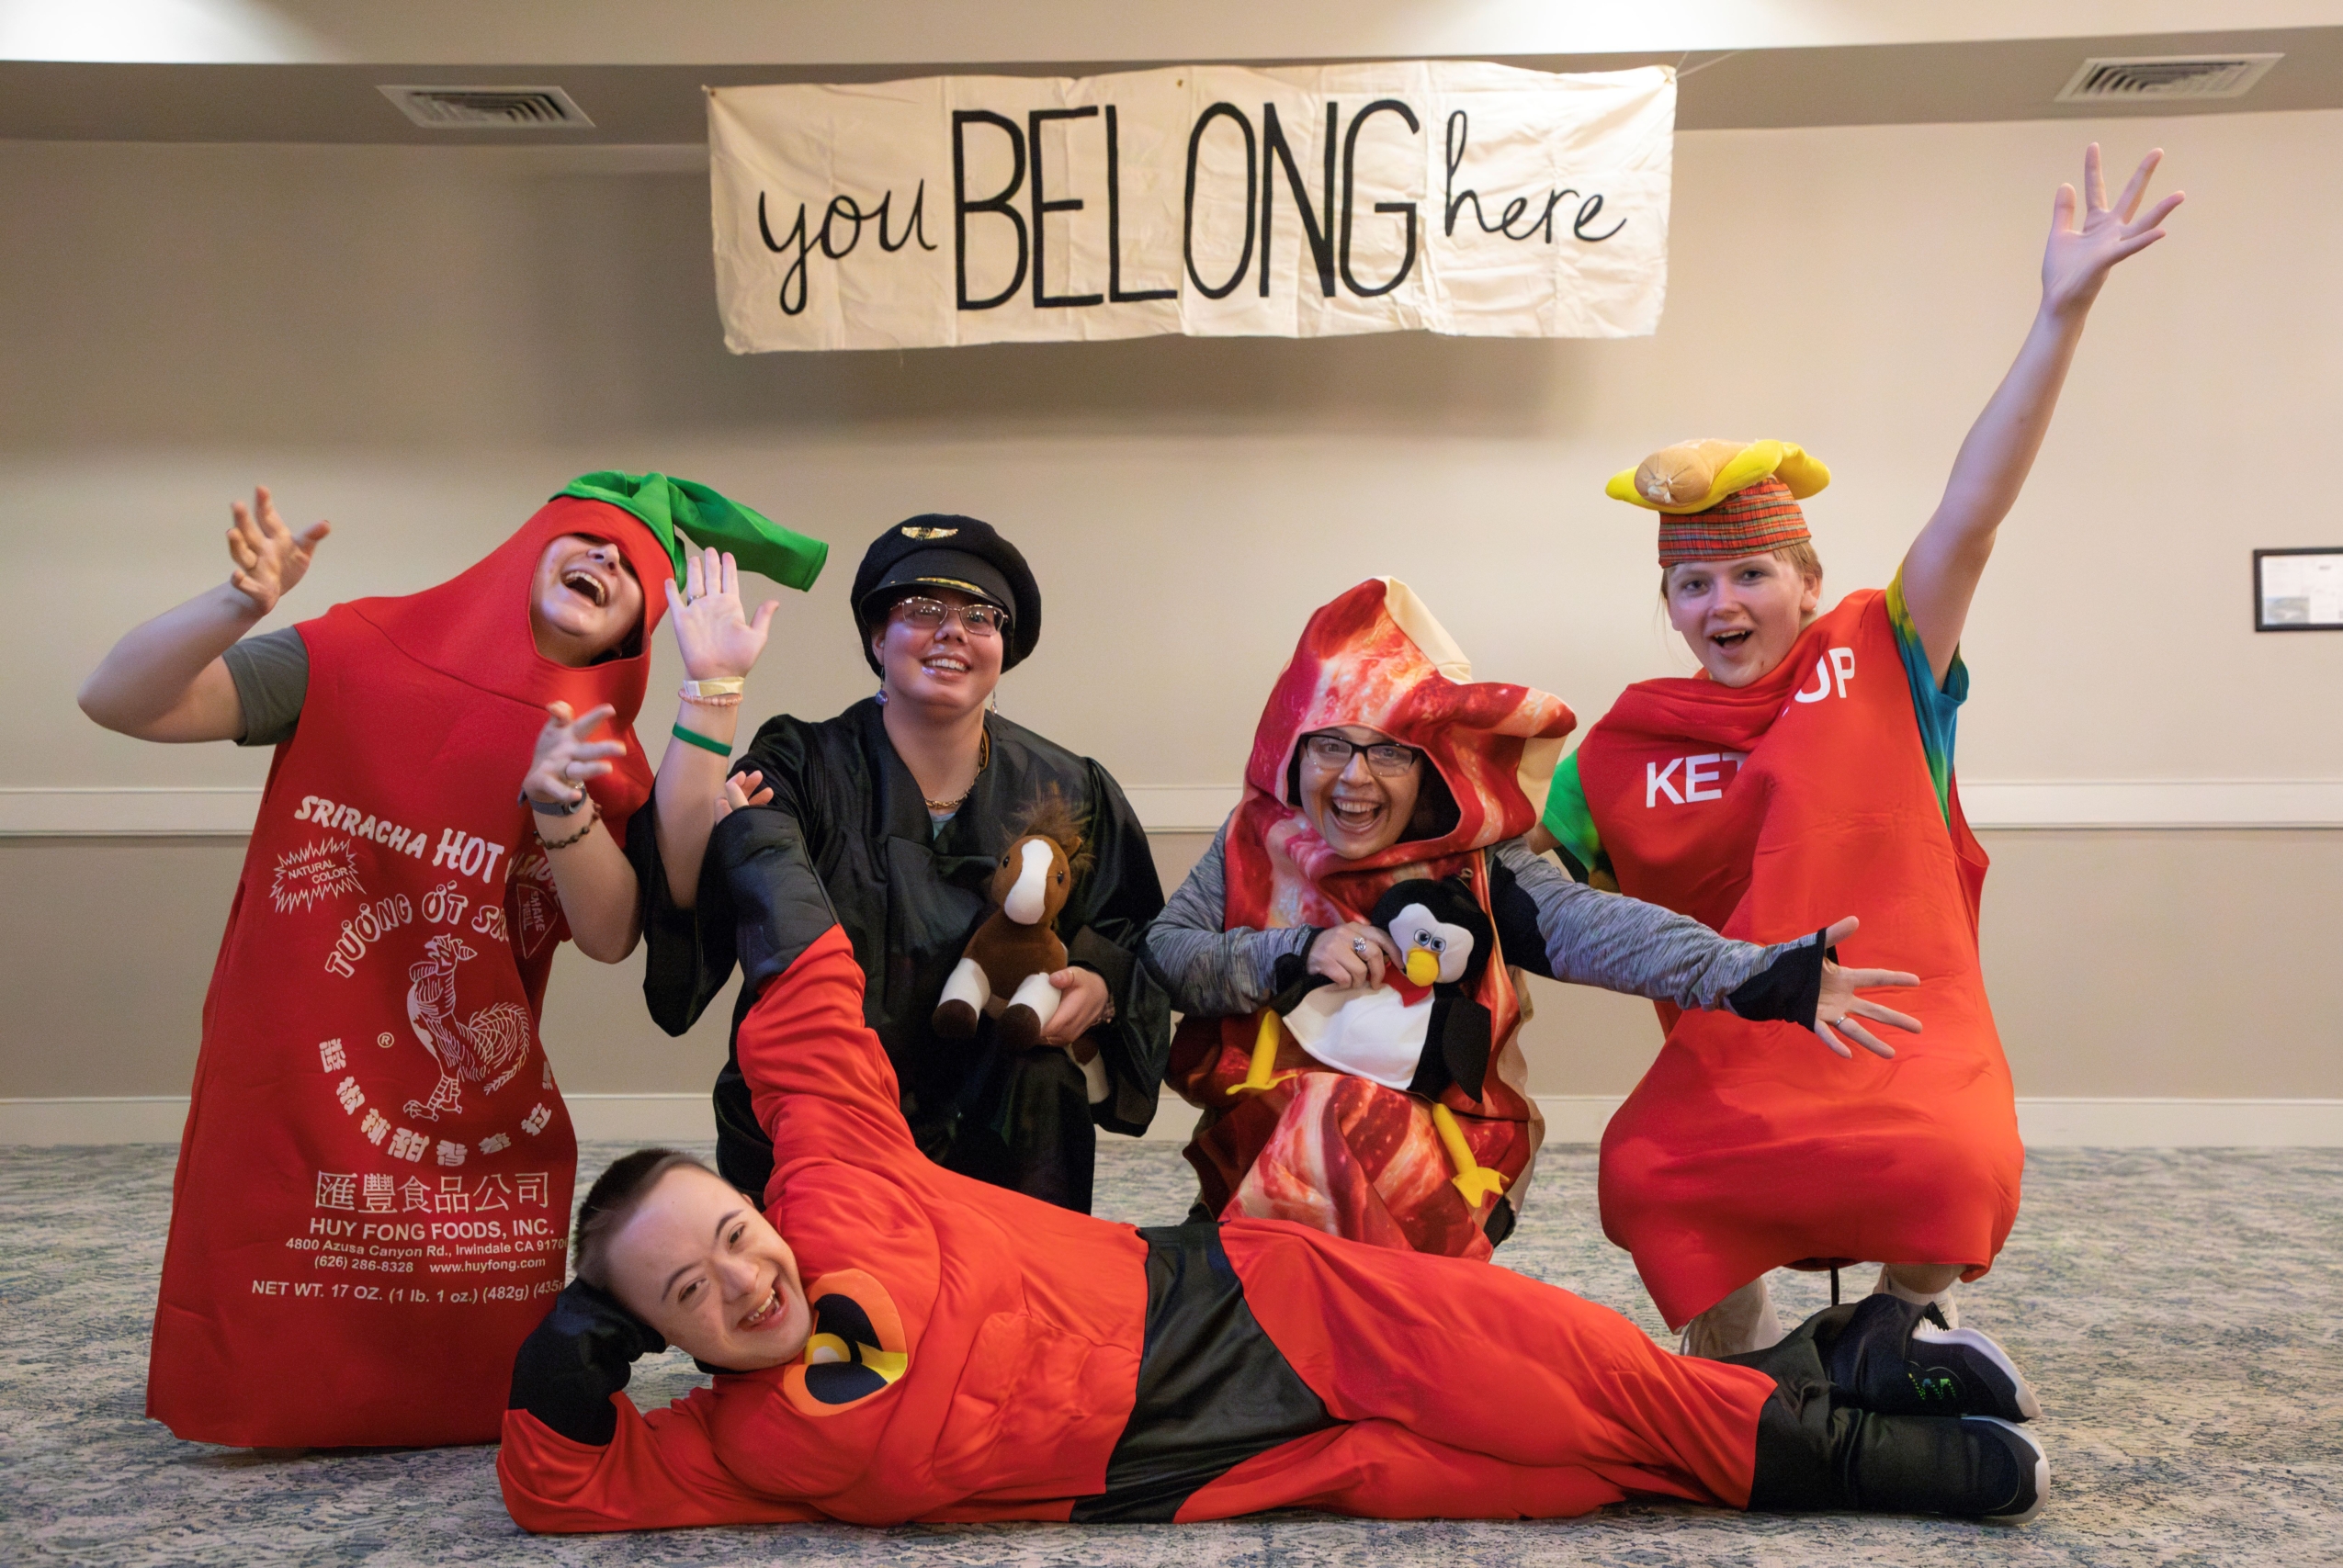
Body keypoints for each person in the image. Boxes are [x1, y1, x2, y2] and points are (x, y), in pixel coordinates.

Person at [492, 851, 2050, 1532]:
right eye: (691, 1292)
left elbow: (810, 1015)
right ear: (666, 1340)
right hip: (1205, 1470)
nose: (745, 1282)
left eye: (730, 1236)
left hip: (1243, 1302)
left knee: (1578, 1385)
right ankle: (1831, 1366)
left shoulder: (836, 1192)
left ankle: (1871, 1449)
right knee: (1563, 1473)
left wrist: (758, 842)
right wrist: (577, 1329)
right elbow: (562, 1488)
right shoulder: (739, 1446)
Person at [1530, 145, 2184, 1354]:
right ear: (1668, 603)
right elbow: (1527, 888)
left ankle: (1904, 1320)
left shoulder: (1886, 653)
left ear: (1807, 580)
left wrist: (2062, 310)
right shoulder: (1618, 747)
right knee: (1642, 1170)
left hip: (1907, 1039)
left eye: (1750, 573)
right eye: (1691, 581)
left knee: (1957, 1159)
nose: (1721, 602)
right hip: (1739, 1055)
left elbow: (1972, 516)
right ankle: (1734, 1351)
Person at [81, 471, 822, 1448]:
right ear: (526, 550)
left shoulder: (604, 753)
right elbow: (119, 701)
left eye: (631, 568)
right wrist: (236, 606)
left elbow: (609, 935)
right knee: (275, 1246)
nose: (604, 559)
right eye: (587, 540)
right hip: (293, 1055)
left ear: (632, 634)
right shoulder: (351, 653)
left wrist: (567, 804)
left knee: (458, 1337)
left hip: (469, 1083)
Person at [1150, 578, 1921, 1258]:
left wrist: (1760, 973)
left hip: (1443, 1153)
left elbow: (1603, 929)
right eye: (1330, 746)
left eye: (1386, 752)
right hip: (1258, 1141)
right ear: (1294, 748)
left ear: (1429, 763)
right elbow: (1169, 953)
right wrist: (1297, 950)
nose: (1353, 778)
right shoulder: (1254, 840)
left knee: (1336, 1154)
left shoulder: (1483, 861)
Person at [627, 514, 1172, 1213]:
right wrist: (712, 686)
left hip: (1001, 1127)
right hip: (826, 1118)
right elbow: (695, 890)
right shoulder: (801, 764)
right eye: (922, 609)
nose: (953, 631)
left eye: (981, 615)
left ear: (1003, 647)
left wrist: (1103, 980)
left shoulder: (1068, 788)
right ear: (878, 638)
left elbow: (1138, 935)